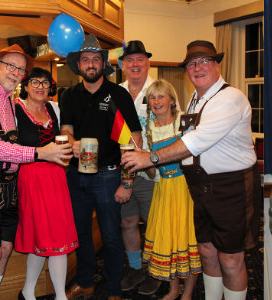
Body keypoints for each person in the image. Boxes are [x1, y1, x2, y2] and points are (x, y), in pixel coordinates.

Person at [121, 40, 259, 300]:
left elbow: (195, 142)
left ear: (217, 64)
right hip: (198, 187)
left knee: (231, 259)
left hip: (231, 187)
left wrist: (149, 158)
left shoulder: (229, 99)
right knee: (206, 251)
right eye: (191, 64)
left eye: (204, 61)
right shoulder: (196, 100)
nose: (197, 68)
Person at [0, 44, 72, 300]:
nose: (16, 73)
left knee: (5, 249)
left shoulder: (7, 99)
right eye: (11, 66)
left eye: (20, 69)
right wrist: (40, 153)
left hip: (9, 185)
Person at [59, 34, 143, 300]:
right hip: (76, 175)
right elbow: (66, 131)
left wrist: (127, 182)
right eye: (86, 59)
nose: (91, 64)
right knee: (81, 233)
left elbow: (134, 142)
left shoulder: (119, 94)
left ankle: (115, 289)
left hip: (108, 176)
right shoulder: (69, 95)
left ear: (103, 64)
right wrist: (72, 144)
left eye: (96, 59)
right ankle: (85, 282)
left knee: (111, 236)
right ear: (79, 65)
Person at [12, 68, 78, 300]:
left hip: (57, 177)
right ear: (26, 85)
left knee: (47, 237)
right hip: (31, 178)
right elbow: (10, 148)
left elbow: (65, 140)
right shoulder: (14, 109)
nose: (40, 86)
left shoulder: (55, 109)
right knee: (51, 236)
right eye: (35, 82)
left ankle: (28, 291)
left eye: (45, 82)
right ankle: (60, 296)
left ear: (51, 87)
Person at [138, 79, 203, 300]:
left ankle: (188, 292)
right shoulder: (148, 130)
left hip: (186, 189)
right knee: (169, 239)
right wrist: (146, 164)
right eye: (152, 97)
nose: (156, 102)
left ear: (172, 100)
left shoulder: (183, 122)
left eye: (161, 96)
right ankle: (174, 289)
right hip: (163, 190)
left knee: (186, 238)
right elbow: (153, 172)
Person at [117, 40, 163, 294]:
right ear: (123, 65)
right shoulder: (116, 92)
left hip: (151, 171)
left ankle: (155, 269)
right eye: (130, 60)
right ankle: (136, 268)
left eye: (140, 59)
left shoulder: (159, 90)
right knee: (128, 222)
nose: (135, 64)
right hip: (124, 168)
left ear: (148, 63)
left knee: (153, 222)